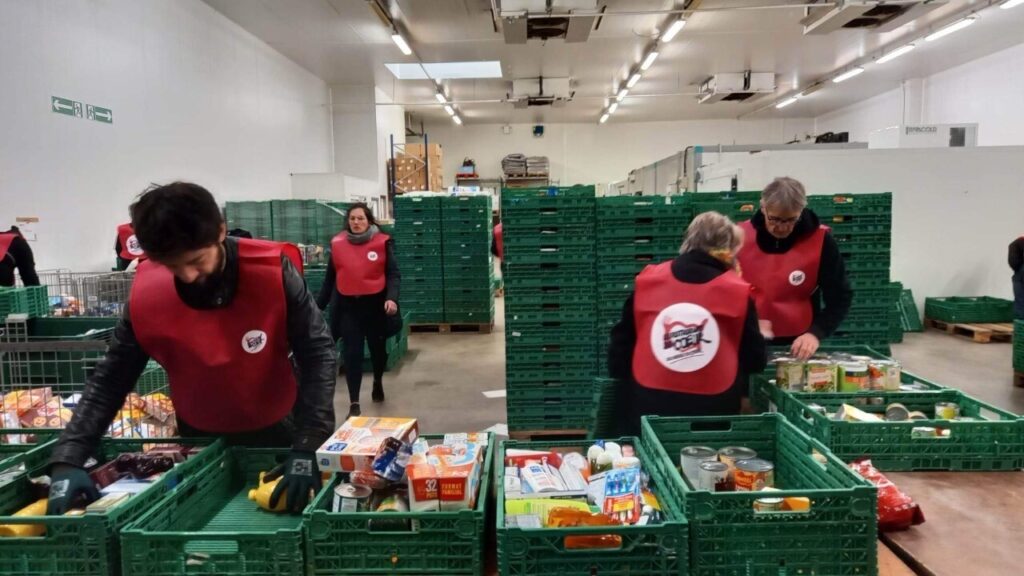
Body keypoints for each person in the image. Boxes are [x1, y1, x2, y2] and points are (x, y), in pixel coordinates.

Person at [47, 182, 336, 515]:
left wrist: (308, 444)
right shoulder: (149, 293)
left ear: (221, 231)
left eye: (197, 261)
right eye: (172, 265)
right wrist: (69, 456)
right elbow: (111, 378)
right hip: (200, 437)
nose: (186, 275)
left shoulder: (271, 273)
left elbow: (318, 353)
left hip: (281, 429)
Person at [608, 212, 768, 436]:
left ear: (688, 240)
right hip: (713, 411)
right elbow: (754, 359)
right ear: (729, 249)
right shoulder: (737, 290)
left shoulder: (650, 280)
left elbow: (620, 349)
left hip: (648, 406)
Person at [736, 177, 852, 360]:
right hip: (746, 338)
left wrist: (815, 333)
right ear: (763, 208)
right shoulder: (738, 237)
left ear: (801, 212)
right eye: (774, 219)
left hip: (798, 342)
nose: (782, 227)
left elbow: (840, 296)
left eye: (791, 220)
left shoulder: (821, 241)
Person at [317, 203, 400, 420]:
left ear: (368, 220)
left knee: (377, 352)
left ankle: (377, 381)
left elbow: (393, 274)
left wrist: (391, 298)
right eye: (352, 218)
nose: (356, 222)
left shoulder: (382, 243)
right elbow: (329, 281)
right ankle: (354, 403)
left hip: (375, 307)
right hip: (349, 308)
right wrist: (315, 309)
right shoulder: (338, 245)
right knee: (352, 354)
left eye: (360, 218)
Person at [1009, 236, 1024, 319]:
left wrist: (1017, 268)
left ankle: (1020, 321)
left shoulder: (1014, 244)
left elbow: (1013, 262)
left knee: (1019, 298)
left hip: (1019, 273)